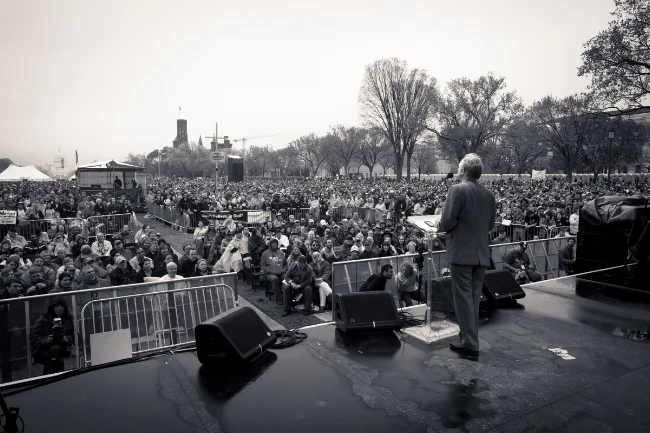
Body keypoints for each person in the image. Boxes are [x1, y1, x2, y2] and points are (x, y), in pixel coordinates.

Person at [437, 153, 495, 360]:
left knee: (463, 300)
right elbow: (490, 225)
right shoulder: (489, 194)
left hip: (461, 253)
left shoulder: (457, 190)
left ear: (462, 171)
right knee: (473, 299)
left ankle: (470, 343)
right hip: (481, 254)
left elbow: (447, 222)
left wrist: (440, 225)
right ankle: (468, 339)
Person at [29, 297, 74, 374]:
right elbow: (33, 336)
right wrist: (45, 340)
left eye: (62, 306)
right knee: (54, 359)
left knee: (54, 352)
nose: (60, 309)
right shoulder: (43, 319)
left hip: (61, 346)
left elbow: (72, 335)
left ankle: (48, 378)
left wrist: (67, 338)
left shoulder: (68, 319)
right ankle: (58, 375)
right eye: (57, 306)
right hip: (43, 348)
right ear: (52, 307)